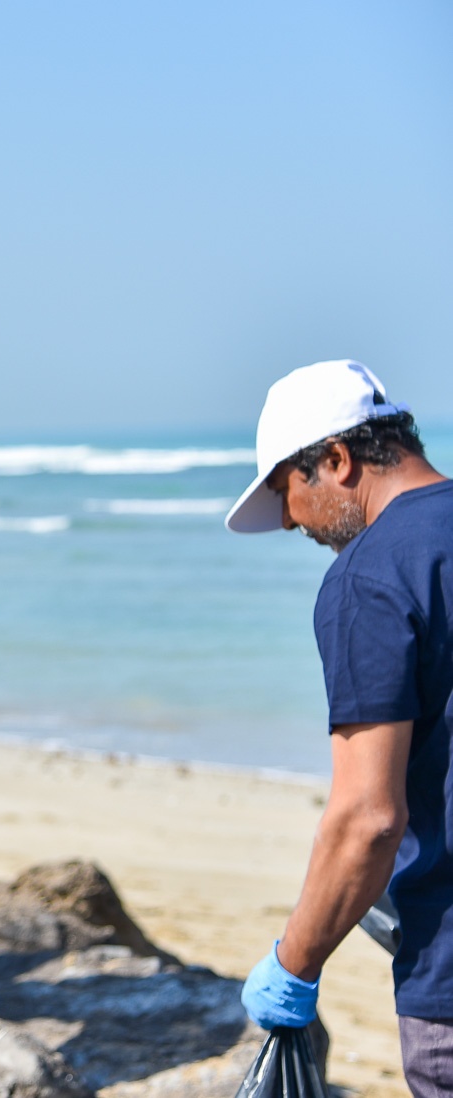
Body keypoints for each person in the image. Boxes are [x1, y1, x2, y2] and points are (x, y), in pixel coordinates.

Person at [228, 360, 452, 1094]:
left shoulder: (373, 577)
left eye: (289, 493)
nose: (291, 520)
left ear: (336, 460)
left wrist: (293, 966)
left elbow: (368, 819)